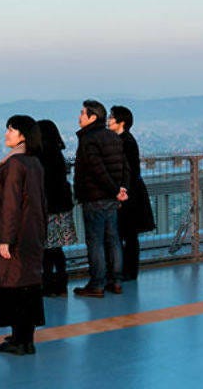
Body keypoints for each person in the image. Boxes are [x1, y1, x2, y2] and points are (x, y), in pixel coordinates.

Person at [0, 115, 46, 355]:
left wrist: (4, 239)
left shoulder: (13, 165)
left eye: (11, 130)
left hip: (14, 237)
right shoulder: (33, 162)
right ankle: (23, 336)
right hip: (31, 234)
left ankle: (22, 341)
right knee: (27, 286)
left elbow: (10, 205)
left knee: (14, 287)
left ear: (23, 135)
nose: (6, 134)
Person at [72, 100, 129, 298]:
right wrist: (121, 189)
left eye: (82, 113)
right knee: (113, 239)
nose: (79, 117)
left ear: (92, 117)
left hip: (94, 197)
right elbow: (124, 166)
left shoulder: (89, 139)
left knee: (95, 241)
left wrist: (114, 190)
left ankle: (97, 283)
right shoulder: (113, 137)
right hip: (111, 199)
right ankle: (117, 281)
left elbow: (97, 170)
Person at [107, 106, 155, 281]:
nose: (108, 120)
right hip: (132, 192)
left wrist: (121, 190)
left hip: (128, 193)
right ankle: (128, 270)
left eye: (112, 117)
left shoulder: (123, 141)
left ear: (121, 122)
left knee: (126, 233)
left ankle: (125, 270)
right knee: (129, 234)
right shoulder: (126, 140)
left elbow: (126, 170)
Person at [37, 120, 77, 297]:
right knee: (57, 248)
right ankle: (61, 283)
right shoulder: (58, 155)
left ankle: (47, 284)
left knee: (46, 249)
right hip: (62, 206)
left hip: (47, 208)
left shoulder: (39, 156)